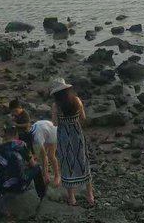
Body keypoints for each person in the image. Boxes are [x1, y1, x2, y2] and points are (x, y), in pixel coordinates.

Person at [51, 78, 93, 206]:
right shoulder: (77, 101)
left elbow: (55, 123)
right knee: (83, 161)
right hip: (77, 134)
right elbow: (83, 117)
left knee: (67, 164)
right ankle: (90, 196)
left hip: (64, 137)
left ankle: (72, 198)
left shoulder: (56, 106)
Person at [0, 120, 46, 199]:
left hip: (3, 187)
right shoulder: (21, 145)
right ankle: (41, 195)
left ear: (5, 134)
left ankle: (0, 192)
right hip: (19, 186)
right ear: (16, 134)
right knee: (37, 168)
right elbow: (33, 164)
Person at [30, 119, 61, 187]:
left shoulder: (37, 139)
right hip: (43, 128)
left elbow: (44, 157)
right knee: (42, 154)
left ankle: (57, 176)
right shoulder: (29, 139)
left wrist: (45, 174)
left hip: (52, 130)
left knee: (51, 155)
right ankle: (45, 174)